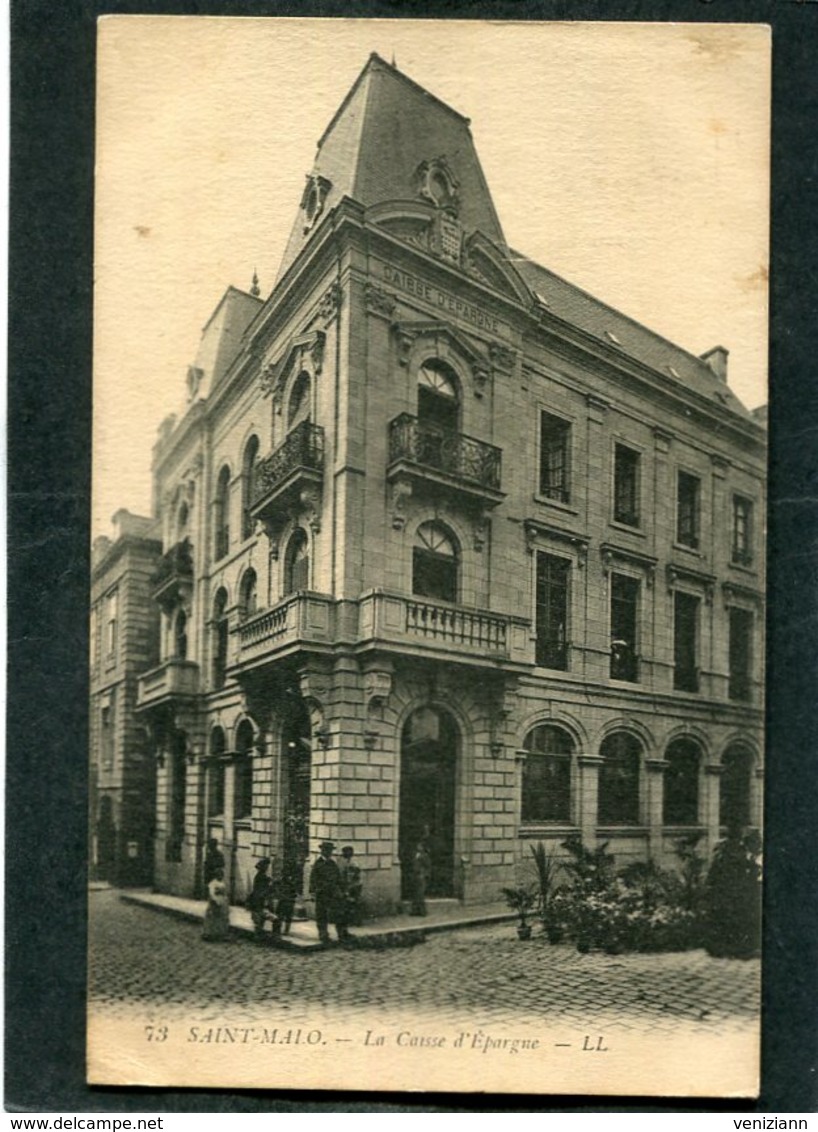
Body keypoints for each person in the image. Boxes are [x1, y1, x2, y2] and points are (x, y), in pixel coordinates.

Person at [309, 841, 344, 944]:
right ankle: (323, 934)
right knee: (321, 914)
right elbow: (313, 879)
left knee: (337, 913)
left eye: (330, 851)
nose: (329, 852)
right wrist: (313, 892)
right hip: (322, 893)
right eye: (326, 850)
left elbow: (338, 877)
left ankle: (341, 934)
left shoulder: (333, 864)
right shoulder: (318, 864)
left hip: (332, 892)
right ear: (322, 851)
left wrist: (340, 889)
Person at [246, 857, 277, 942]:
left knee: (260, 921)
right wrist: (270, 886)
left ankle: (260, 936)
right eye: (265, 866)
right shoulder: (261, 877)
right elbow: (262, 891)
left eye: (267, 866)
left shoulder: (262, 877)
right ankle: (261, 937)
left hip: (260, 901)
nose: (267, 867)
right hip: (258, 902)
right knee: (260, 920)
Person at [202, 867, 231, 942]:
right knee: (212, 918)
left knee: (222, 918)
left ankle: (221, 934)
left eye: (221, 875)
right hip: (214, 902)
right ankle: (209, 933)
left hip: (222, 901)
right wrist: (215, 900)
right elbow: (211, 893)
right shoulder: (213, 883)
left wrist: (226, 900)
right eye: (219, 875)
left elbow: (225, 893)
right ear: (216, 875)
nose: (220, 876)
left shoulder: (222, 883)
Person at [338, 845, 363, 932]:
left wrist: (349, 885)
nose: (344, 854)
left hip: (355, 885)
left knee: (354, 902)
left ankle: (357, 920)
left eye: (346, 852)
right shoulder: (345, 861)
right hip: (350, 885)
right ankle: (352, 920)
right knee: (349, 902)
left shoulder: (354, 862)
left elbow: (354, 874)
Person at [276, 855, 300, 936]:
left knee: (288, 914)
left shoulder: (295, 873)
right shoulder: (284, 875)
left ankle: (286, 930)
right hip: (284, 896)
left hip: (289, 897)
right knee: (280, 913)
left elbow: (296, 884)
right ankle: (278, 929)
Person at [410, 833, 432, 917]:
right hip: (415, 876)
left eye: (419, 846)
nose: (418, 847)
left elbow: (428, 866)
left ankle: (423, 912)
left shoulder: (425, 856)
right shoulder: (415, 855)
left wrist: (426, 875)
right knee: (415, 894)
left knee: (420, 894)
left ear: (422, 848)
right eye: (417, 846)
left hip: (421, 876)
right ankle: (415, 911)